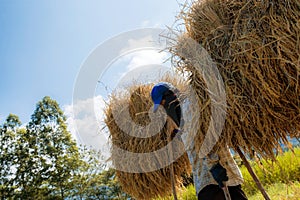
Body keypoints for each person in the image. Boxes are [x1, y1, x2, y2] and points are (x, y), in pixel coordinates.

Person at [151, 82, 248, 200]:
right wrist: (179, 135)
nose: (164, 108)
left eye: (163, 103)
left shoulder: (189, 108)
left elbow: (203, 137)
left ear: (170, 95)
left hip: (215, 177)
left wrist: (214, 165)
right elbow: (192, 139)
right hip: (206, 179)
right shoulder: (181, 115)